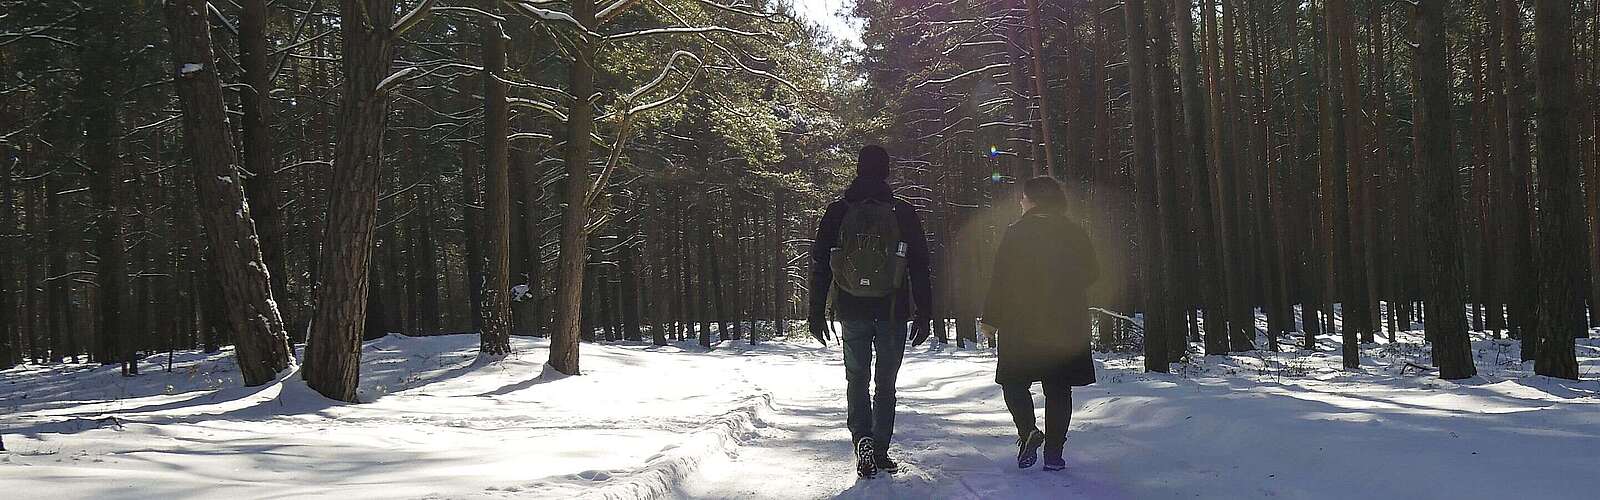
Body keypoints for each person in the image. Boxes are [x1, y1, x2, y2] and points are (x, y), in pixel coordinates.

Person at [808, 145, 934, 479]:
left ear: (858, 169)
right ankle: (879, 450)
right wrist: (925, 312)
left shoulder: (838, 211)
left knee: (856, 378)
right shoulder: (902, 212)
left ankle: (861, 437)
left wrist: (816, 312)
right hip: (893, 309)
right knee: (886, 384)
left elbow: (821, 263)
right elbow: (920, 265)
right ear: (886, 171)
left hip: (851, 309)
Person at [981, 176, 1100, 472]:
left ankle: (1028, 431)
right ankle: (1054, 455)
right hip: (1065, 322)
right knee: (1059, 389)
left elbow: (1000, 279)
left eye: (1023, 197)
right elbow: (1093, 272)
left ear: (1032, 200)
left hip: (1021, 322)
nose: (1021, 201)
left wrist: (991, 319)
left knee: (1013, 382)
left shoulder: (1016, 233)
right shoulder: (1073, 232)